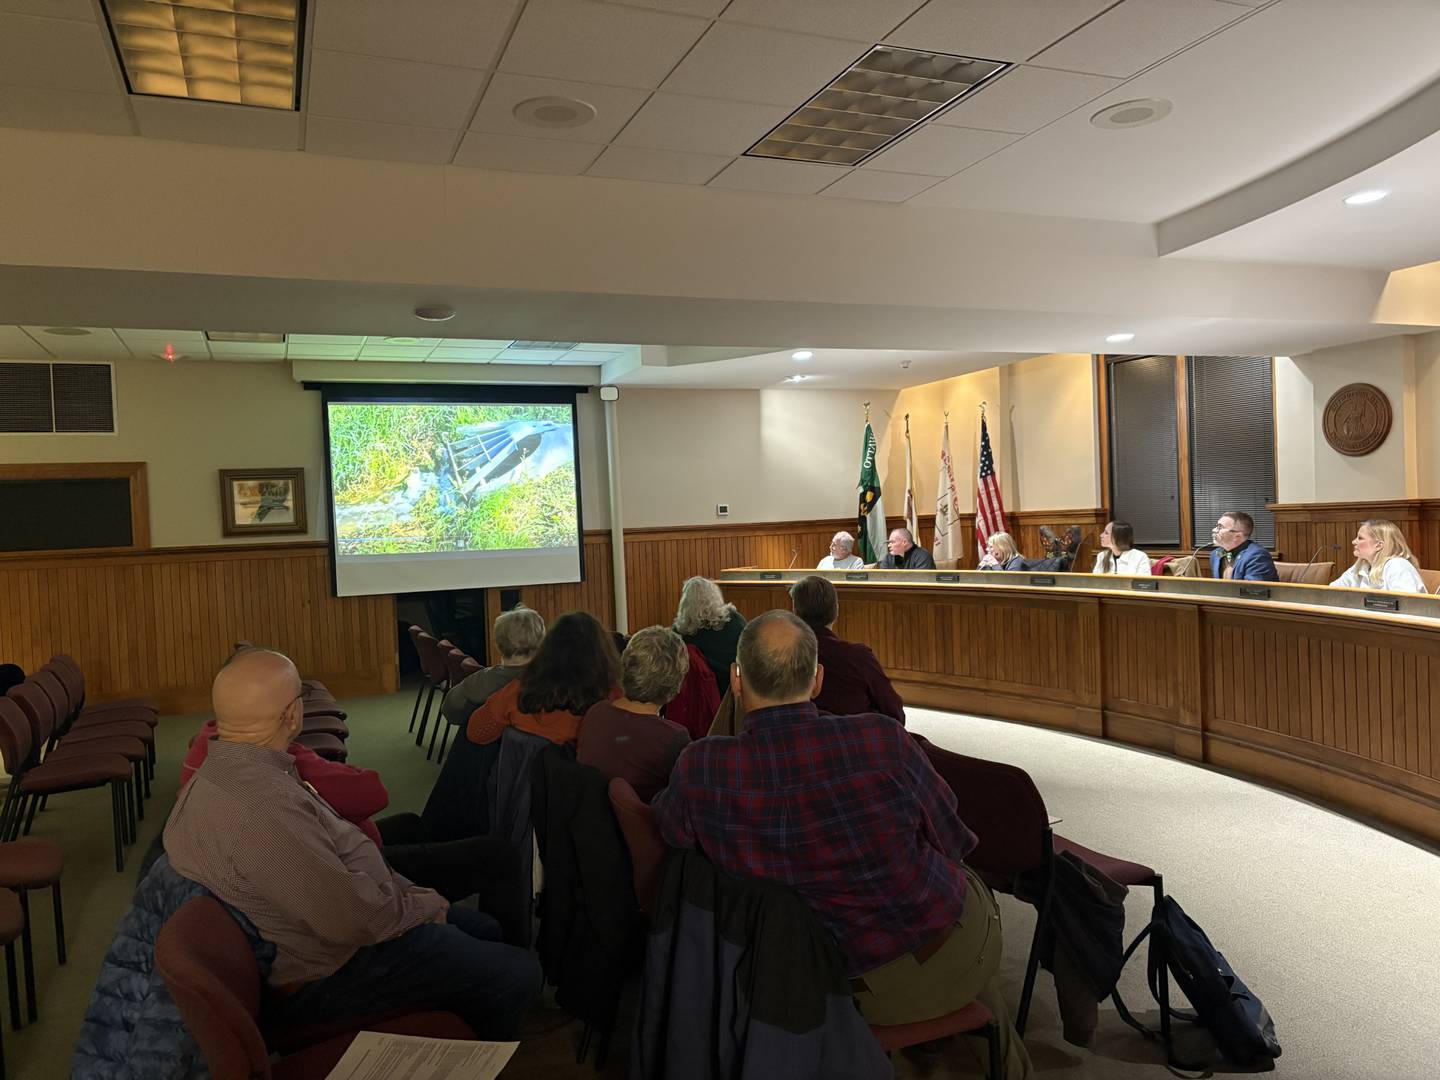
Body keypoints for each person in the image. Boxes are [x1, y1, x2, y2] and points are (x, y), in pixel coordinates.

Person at [652, 612, 1030, 1078]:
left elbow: (671, 833)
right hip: (911, 958)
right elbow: (952, 839)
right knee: (966, 894)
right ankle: (998, 1060)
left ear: (735, 679)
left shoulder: (700, 768)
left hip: (799, 984)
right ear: (816, 681)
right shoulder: (881, 739)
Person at [164, 648, 540, 1038]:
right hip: (330, 971)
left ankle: (458, 1017)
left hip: (335, 932)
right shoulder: (261, 808)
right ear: (292, 715)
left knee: (485, 929)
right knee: (520, 973)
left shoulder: (222, 774)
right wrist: (424, 905)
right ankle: (473, 1052)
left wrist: (409, 897)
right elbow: (351, 920)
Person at [467, 610, 620, 746]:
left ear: (547, 647)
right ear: (603, 653)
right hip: (589, 777)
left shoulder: (519, 690)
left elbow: (476, 732)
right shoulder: (614, 697)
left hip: (526, 776)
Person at [577, 626, 691, 802]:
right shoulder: (674, 737)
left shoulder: (596, 712)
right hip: (643, 827)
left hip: (588, 823)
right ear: (675, 684)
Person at [788, 575, 905, 724]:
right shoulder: (859, 657)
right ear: (836, 610)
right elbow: (894, 713)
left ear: (795, 612)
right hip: (861, 740)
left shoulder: (782, 656)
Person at [441, 606, 545, 726]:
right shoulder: (553, 678)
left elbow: (450, 712)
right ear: (542, 642)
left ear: (497, 644)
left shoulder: (479, 681)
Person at [673, 576, 747, 694]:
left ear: (685, 602)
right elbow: (749, 649)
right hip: (732, 690)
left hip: (698, 695)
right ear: (714, 597)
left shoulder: (680, 632)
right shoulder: (733, 620)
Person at [1331, 518, 1427, 593]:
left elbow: (1407, 605)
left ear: (1379, 545)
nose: (1353, 542)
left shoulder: (1398, 566)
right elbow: (1332, 591)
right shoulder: (1362, 565)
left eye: (1360, 538)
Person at [1208, 511, 1278, 581]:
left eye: (1220, 527)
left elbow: (1253, 590)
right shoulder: (1216, 554)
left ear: (1237, 536)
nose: (1214, 530)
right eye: (1216, 526)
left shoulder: (1257, 556)